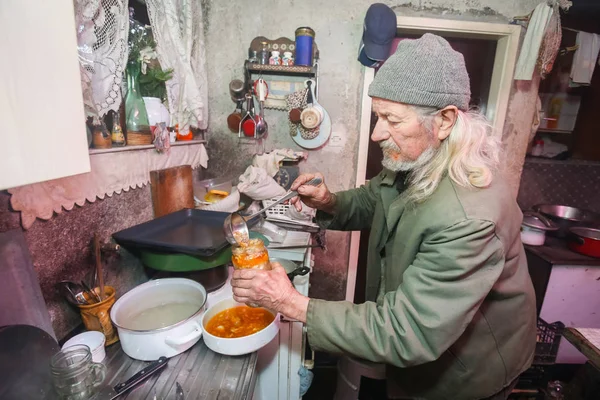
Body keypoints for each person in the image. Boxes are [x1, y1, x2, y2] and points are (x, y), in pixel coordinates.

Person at [231, 33, 537, 400]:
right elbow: (377, 198)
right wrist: (328, 201)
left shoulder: (469, 217)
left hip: (466, 373)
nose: (377, 134)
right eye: (378, 116)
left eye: (391, 119)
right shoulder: (420, 157)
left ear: (443, 121)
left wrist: (291, 303)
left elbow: (409, 331)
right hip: (423, 354)